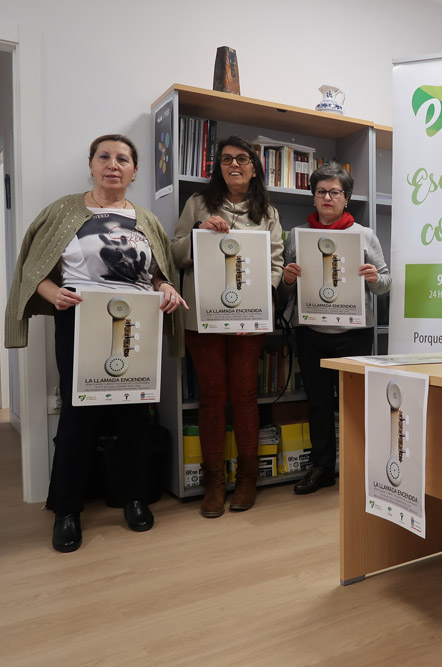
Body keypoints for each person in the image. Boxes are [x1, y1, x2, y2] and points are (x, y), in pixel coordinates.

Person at [4, 134, 186, 552]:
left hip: (137, 327)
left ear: (134, 171)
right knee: (78, 417)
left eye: (123, 158)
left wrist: (167, 288)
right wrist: (52, 294)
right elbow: (35, 270)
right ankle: (67, 510)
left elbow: (159, 274)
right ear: (91, 164)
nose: (113, 164)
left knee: (134, 415)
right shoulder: (64, 211)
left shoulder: (146, 219)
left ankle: (135, 498)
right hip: (81, 324)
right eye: (104, 156)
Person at [170, 136, 284, 518]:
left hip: (248, 319)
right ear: (218, 167)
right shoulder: (198, 204)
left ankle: (248, 478)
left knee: (246, 396)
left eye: (242, 159)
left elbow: (276, 263)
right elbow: (176, 253)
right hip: (203, 319)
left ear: (255, 166)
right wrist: (201, 230)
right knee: (213, 398)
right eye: (225, 160)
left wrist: (256, 297)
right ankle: (214, 482)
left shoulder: (267, 211)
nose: (233, 164)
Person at [278, 164, 390, 494]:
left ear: (346, 198)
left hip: (354, 333)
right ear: (313, 197)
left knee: (355, 404)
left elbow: (385, 283)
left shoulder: (365, 235)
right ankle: (322, 468)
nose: (327, 197)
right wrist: (286, 281)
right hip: (311, 333)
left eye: (334, 192)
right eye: (321, 191)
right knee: (319, 404)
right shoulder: (296, 235)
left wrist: (374, 279)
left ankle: (357, 467)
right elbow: (284, 292)